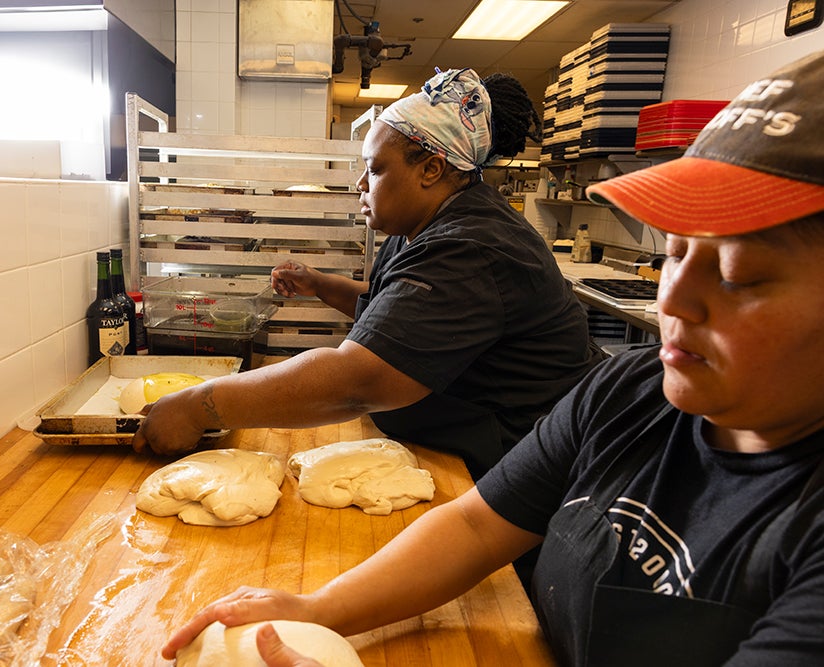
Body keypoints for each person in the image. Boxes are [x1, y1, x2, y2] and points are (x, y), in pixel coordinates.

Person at [159, 51, 824, 666]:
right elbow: (477, 526)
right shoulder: (631, 393)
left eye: (739, 274)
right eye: (674, 253)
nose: (675, 299)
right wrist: (316, 611)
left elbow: (362, 376)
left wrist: (202, 404)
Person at [133, 68, 601, 479]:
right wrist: (318, 283)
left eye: (374, 170)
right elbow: (397, 318)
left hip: (522, 464)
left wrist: (200, 406)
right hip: (467, 449)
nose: (361, 185)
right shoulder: (423, 221)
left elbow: (357, 381)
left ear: (432, 169)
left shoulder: (471, 246)